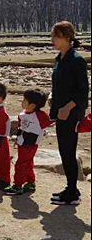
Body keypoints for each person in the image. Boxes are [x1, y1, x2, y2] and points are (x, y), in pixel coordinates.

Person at [49, 21, 89, 206]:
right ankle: (71, 187)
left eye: (55, 36)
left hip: (71, 113)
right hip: (60, 111)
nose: (52, 40)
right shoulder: (60, 58)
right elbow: (57, 84)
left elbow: (82, 92)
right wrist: (52, 96)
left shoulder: (76, 60)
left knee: (68, 150)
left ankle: (72, 193)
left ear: (66, 37)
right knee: (64, 151)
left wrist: (67, 107)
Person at [5, 89, 53, 196]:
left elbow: (50, 120)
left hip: (30, 144)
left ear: (32, 105)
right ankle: (30, 183)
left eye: (25, 100)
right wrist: (18, 139)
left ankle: (18, 185)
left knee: (20, 164)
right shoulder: (22, 114)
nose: (22, 102)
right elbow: (20, 127)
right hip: (23, 142)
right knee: (28, 163)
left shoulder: (40, 115)